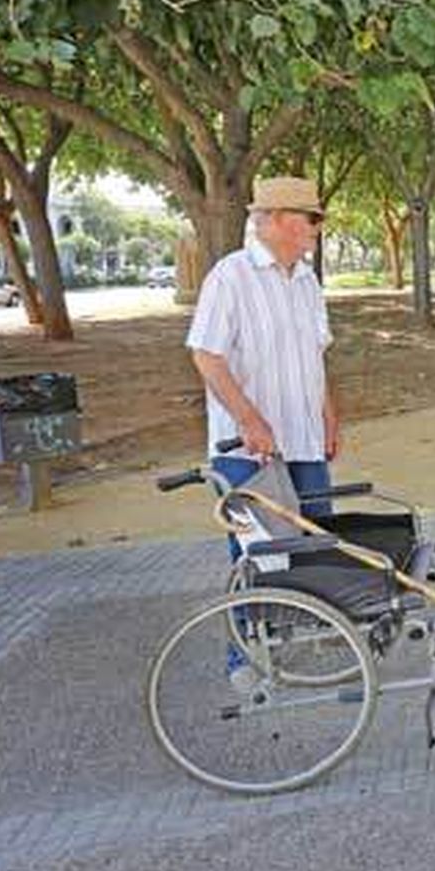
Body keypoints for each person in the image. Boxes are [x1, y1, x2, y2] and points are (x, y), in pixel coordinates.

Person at [185, 176, 339, 686]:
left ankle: (302, 635)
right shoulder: (230, 277)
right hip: (245, 451)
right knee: (254, 555)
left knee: (313, 540)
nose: (317, 228)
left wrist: (329, 414)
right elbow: (206, 355)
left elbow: (316, 355)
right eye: (310, 218)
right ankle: (243, 656)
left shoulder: (307, 281)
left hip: (305, 439)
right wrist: (249, 418)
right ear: (274, 219)